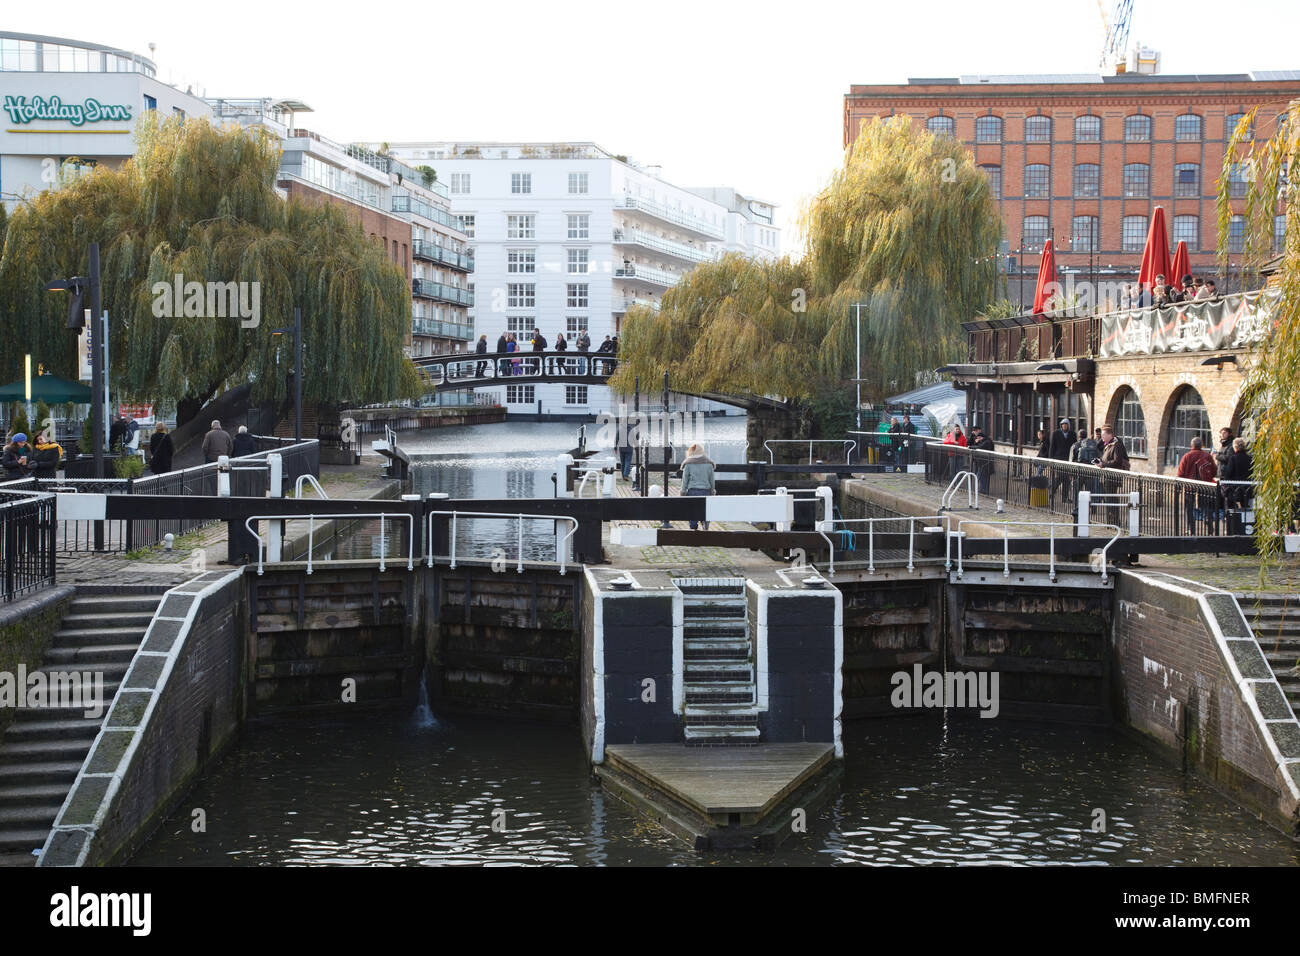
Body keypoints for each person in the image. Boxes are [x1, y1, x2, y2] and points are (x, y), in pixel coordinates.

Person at [1177, 436, 1217, 534]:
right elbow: (1214, 470)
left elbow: (1180, 473)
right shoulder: (1207, 456)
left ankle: (1191, 528)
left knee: (1189, 507)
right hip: (1204, 484)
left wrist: (1180, 484)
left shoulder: (1186, 456)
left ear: (1191, 445)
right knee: (1205, 505)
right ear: (1201, 445)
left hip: (1189, 486)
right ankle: (1208, 521)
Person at [679, 443, 716, 531]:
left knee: (692, 511)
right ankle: (705, 523)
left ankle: (693, 528)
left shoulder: (688, 464)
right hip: (705, 490)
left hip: (692, 491)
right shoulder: (709, 464)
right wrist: (712, 491)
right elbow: (712, 480)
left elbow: (685, 480)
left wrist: (683, 492)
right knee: (705, 509)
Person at [1220, 437, 1254, 525]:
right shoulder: (1249, 458)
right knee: (1245, 508)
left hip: (1235, 488)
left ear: (1235, 447)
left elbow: (1229, 473)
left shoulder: (1233, 458)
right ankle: (1244, 525)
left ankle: (1232, 526)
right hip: (1246, 487)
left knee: (1232, 508)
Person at [1048, 418, 1076, 505]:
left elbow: (1074, 446)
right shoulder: (1056, 433)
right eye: (1063, 425)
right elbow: (1052, 447)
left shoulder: (1072, 434)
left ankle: (1064, 497)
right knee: (1060, 477)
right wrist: (1050, 459)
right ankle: (1052, 492)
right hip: (1058, 458)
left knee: (1066, 480)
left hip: (1067, 459)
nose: (1064, 426)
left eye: (1066, 425)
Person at [969, 425, 995, 493]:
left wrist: (971, 446)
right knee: (982, 476)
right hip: (982, 462)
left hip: (985, 462)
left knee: (981, 476)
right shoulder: (984, 441)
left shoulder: (987, 442)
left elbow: (980, 447)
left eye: (978, 438)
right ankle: (983, 489)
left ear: (980, 437)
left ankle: (983, 490)